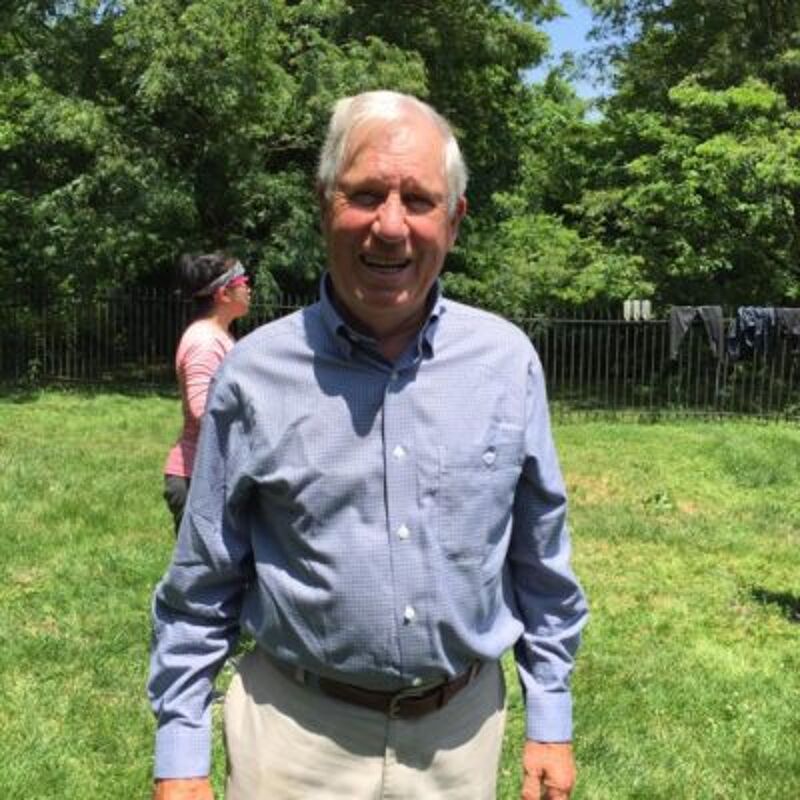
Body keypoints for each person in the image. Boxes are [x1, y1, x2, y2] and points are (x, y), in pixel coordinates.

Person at [148, 90, 588, 800]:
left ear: (455, 218)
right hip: (291, 738)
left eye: (418, 198)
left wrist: (551, 719)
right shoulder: (254, 374)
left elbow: (541, 561)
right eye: (365, 194)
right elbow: (201, 586)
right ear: (325, 203)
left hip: (461, 737)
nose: (390, 226)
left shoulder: (507, 363)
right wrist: (180, 758)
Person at [162, 253, 251, 535]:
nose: (248, 286)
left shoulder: (217, 336)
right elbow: (204, 411)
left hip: (211, 476)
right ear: (223, 293)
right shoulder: (205, 341)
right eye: (243, 280)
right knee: (202, 577)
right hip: (198, 480)